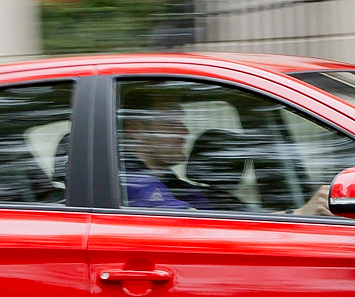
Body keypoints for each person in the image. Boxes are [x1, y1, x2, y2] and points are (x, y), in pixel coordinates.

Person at [119, 84, 332, 216]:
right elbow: (198, 228)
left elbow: (236, 215)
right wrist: (299, 213)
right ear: (135, 130)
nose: (185, 131)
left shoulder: (173, 183)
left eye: (181, 121)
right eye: (171, 122)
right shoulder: (132, 184)